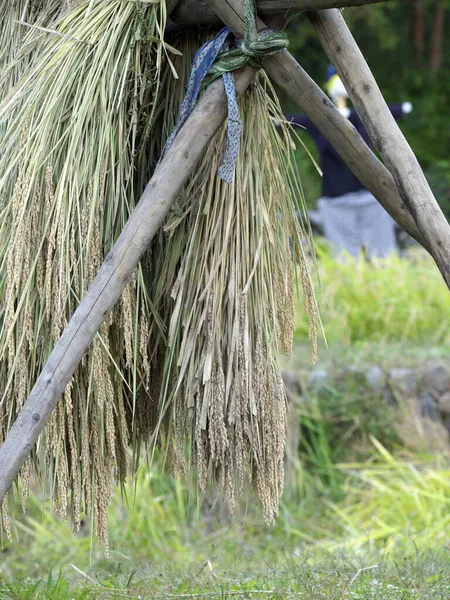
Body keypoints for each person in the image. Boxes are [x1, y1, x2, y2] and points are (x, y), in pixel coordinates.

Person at [287, 65, 413, 259]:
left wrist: (403, 109)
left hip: (371, 196)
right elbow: (290, 121)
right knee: (344, 257)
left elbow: (384, 111)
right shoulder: (319, 120)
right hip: (335, 200)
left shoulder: (361, 117)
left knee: (384, 256)